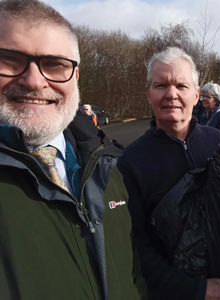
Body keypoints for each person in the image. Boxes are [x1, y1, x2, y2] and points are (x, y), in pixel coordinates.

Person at [0, 1, 140, 299]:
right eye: (10, 60)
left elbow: (134, 270)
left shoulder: (108, 164)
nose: (35, 81)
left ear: (76, 77)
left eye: (55, 64)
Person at [117, 47, 220, 300]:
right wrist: (195, 290)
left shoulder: (218, 141)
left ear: (195, 95)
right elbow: (136, 248)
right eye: (161, 86)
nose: (171, 94)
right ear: (148, 94)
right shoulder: (130, 162)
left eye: (181, 86)